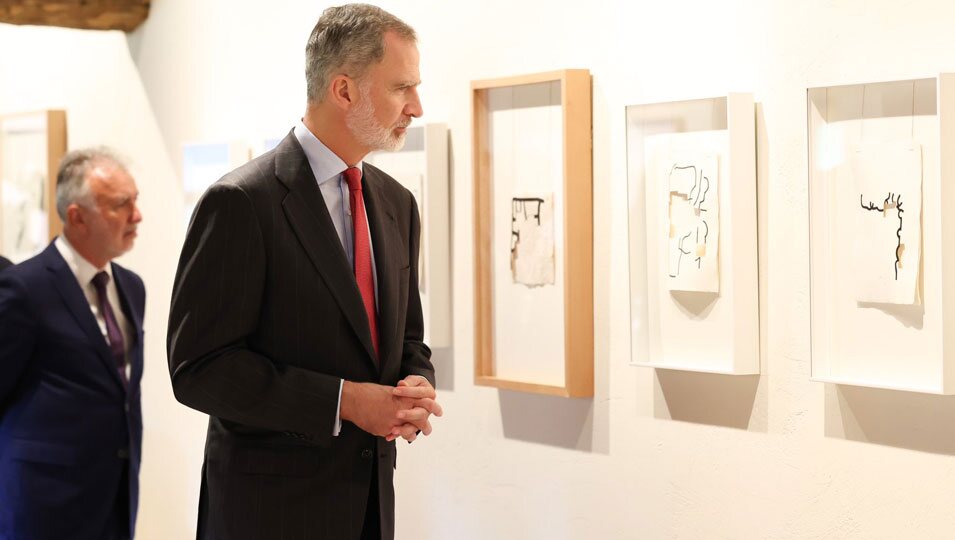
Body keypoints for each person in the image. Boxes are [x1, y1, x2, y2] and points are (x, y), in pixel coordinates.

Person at [167, 4, 442, 539]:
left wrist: (415, 383)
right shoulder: (241, 201)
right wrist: (343, 402)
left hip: (368, 508)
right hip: (267, 513)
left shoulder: (396, 202)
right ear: (344, 90)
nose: (417, 106)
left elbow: (409, 338)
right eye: (401, 87)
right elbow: (199, 368)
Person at [0, 147, 145, 540]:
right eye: (121, 205)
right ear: (78, 217)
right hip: (43, 505)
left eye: (135, 201)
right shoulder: (24, 289)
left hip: (115, 498)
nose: (137, 216)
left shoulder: (131, 288)